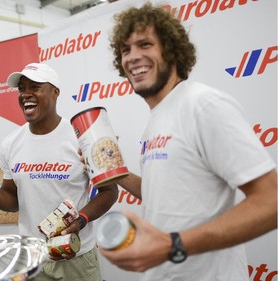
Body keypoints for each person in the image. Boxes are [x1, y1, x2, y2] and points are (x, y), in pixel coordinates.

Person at [98, 3, 278, 281]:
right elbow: (165, 194)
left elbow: (272, 201)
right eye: (125, 50)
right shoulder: (157, 118)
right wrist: (114, 171)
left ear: (171, 50)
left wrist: (173, 246)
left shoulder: (202, 105)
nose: (133, 57)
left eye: (144, 44)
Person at [0, 62, 119, 281]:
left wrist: (81, 220)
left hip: (75, 258)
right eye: (21, 88)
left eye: (35, 87)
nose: (26, 94)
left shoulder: (79, 136)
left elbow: (110, 191)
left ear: (55, 92)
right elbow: (12, 199)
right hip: (33, 260)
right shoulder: (11, 143)